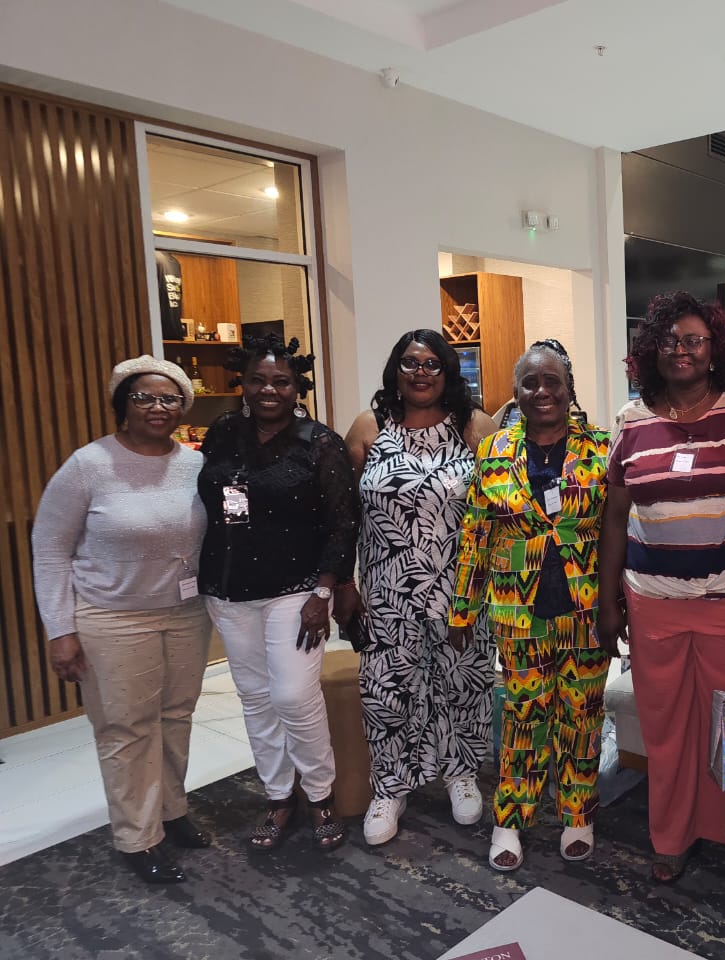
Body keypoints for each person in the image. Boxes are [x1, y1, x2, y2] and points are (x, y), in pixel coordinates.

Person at [597, 290, 725, 883]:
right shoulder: (632, 420)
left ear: (715, 348)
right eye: (670, 340)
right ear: (652, 350)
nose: (681, 349)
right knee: (666, 725)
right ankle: (671, 836)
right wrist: (607, 601)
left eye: (694, 339)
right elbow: (615, 515)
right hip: (654, 603)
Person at [32, 356, 211, 884]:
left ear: (183, 406)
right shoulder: (89, 465)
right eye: (144, 397)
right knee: (126, 729)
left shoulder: (196, 463)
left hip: (186, 613)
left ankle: (171, 810)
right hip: (112, 617)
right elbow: (49, 549)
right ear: (122, 404)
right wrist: (60, 629)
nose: (158, 407)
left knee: (175, 718)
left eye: (169, 398)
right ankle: (137, 836)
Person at [448, 339, 610, 872]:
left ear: (569, 389)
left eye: (552, 382)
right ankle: (511, 819)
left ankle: (577, 815)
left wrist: (620, 604)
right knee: (523, 716)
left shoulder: (601, 449)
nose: (542, 392)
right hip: (518, 612)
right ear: (515, 393)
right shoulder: (493, 451)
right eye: (530, 383)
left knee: (581, 717)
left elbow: (618, 533)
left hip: (585, 611)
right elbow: (476, 534)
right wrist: (463, 609)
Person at [197, 333, 360, 853]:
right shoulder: (223, 433)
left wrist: (325, 592)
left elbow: (342, 523)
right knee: (256, 699)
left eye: (281, 381)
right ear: (243, 384)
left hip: (296, 590)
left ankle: (320, 794)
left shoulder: (320, 443)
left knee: (292, 695)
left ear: (297, 387)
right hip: (229, 590)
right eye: (258, 380)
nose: (269, 389)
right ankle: (277, 795)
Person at [343, 330, 499, 845]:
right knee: (387, 689)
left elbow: (498, 507)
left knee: (464, 683)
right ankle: (390, 786)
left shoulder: (474, 426)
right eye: (410, 363)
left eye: (432, 364)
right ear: (396, 370)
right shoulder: (369, 427)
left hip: (460, 588)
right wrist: (344, 584)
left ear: (448, 371)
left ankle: (461, 773)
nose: (421, 373)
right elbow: (343, 513)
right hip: (388, 590)